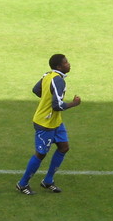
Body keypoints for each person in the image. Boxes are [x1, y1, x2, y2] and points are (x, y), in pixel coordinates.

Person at [15, 53, 81, 195]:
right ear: (59, 66)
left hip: (56, 121)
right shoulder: (58, 81)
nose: (69, 64)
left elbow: (36, 90)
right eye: (66, 62)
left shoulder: (48, 75)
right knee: (41, 154)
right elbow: (57, 105)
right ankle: (22, 184)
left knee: (64, 147)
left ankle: (48, 181)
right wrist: (73, 104)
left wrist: (46, 98)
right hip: (45, 123)